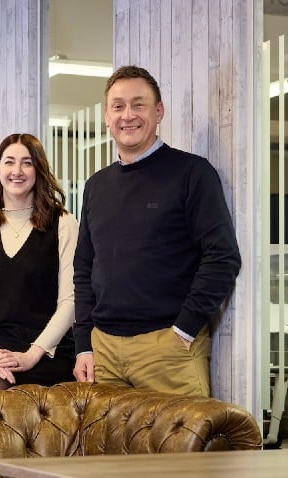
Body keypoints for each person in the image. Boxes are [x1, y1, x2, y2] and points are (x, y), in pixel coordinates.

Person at [72, 65, 242, 397]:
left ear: (159, 111)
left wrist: (185, 329)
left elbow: (223, 257)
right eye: (118, 106)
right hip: (103, 351)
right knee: (107, 449)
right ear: (107, 116)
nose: (128, 115)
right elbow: (83, 268)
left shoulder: (192, 173)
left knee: (181, 448)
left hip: (167, 350)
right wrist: (83, 344)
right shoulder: (96, 186)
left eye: (139, 104)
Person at [0, 133, 77, 389]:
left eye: (27, 162)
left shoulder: (64, 223)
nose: (17, 171)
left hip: (48, 351)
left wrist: (32, 355)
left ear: (38, 169)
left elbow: (69, 302)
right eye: (9, 162)